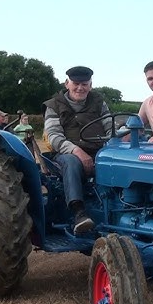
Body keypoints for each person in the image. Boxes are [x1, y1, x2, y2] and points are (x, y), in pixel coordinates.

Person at [43, 66, 111, 233]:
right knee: (72, 162)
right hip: (66, 154)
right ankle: (79, 212)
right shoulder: (53, 105)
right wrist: (77, 152)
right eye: (76, 83)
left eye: (85, 84)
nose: (80, 88)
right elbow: (54, 136)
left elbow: (110, 127)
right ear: (67, 83)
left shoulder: (99, 102)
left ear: (91, 85)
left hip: (98, 150)